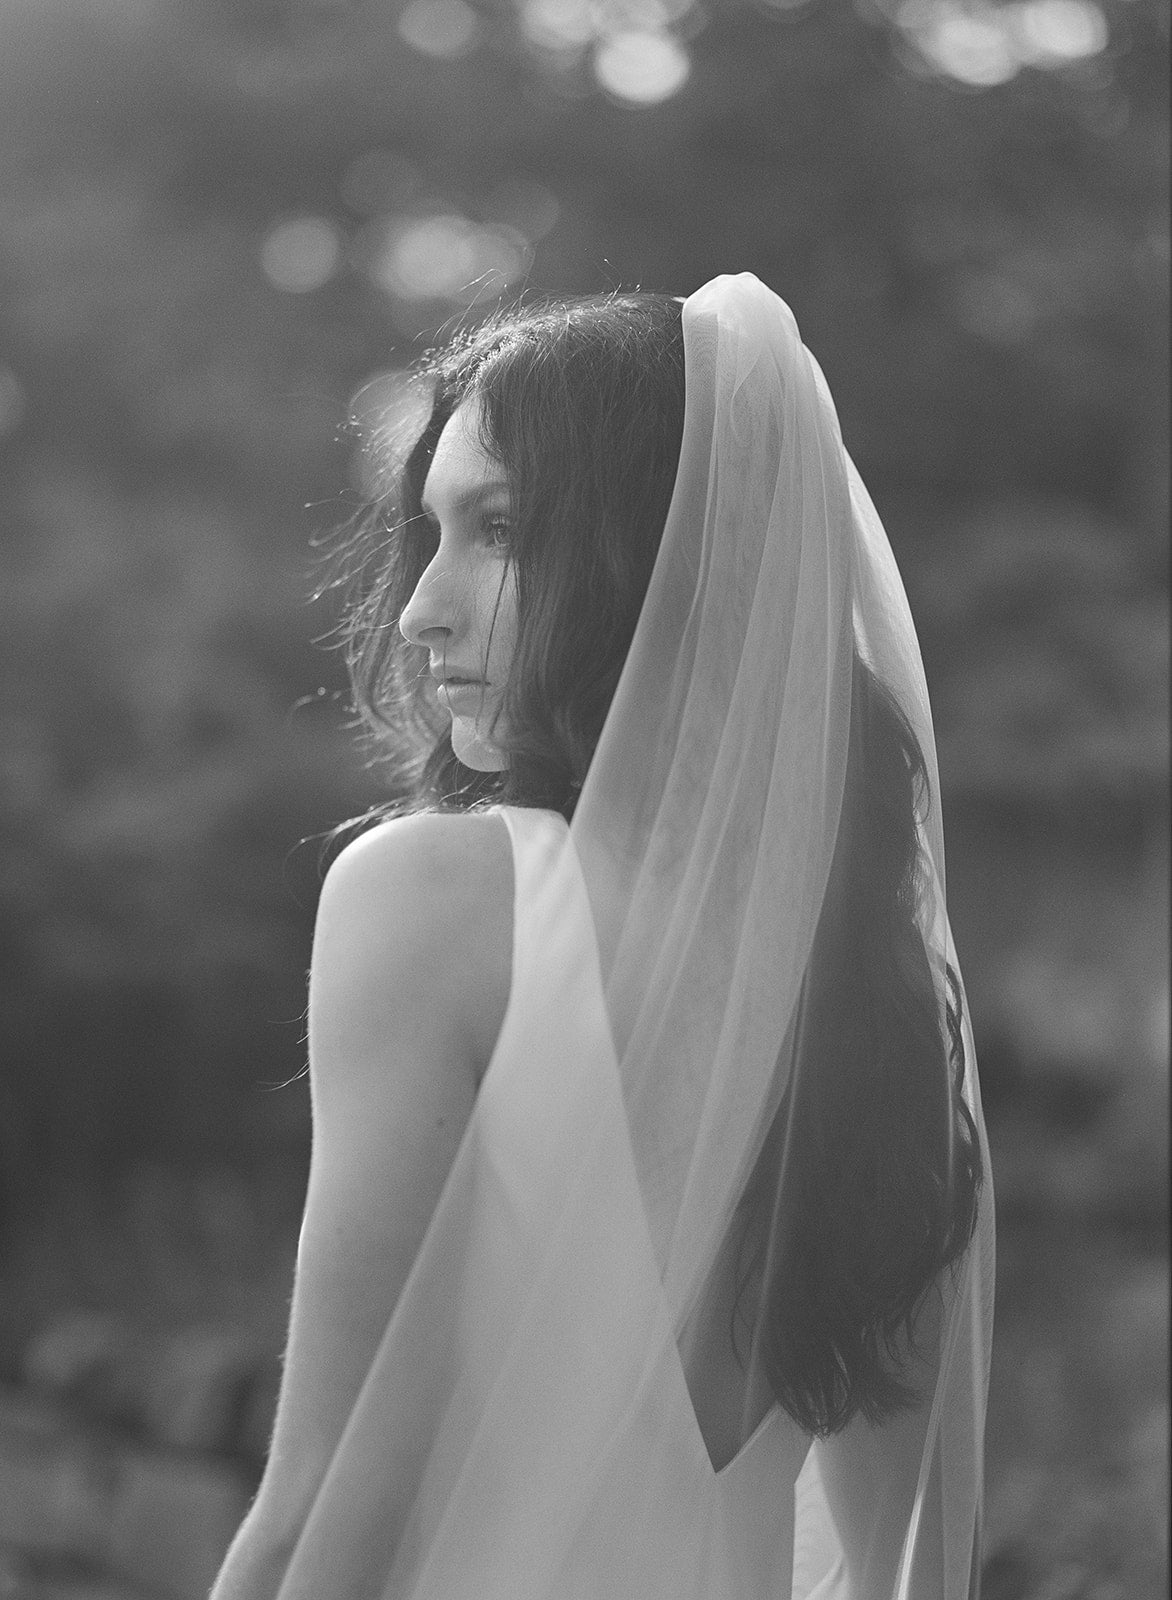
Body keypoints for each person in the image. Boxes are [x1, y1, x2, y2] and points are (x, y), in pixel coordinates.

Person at [211, 273, 994, 1599]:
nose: (420, 607)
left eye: (501, 528)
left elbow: (321, 1505)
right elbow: (898, 1562)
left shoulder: (442, 898)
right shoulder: (873, 987)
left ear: (657, 554)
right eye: (429, 531)